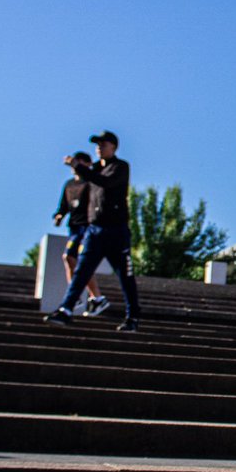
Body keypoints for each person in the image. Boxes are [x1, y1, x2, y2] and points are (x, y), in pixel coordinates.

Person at [45, 130, 142, 332]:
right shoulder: (94, 170)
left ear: (113, 147)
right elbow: (78, 195)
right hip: (94, 230)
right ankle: (66, 309)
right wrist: (62, 213)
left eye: (103, 144)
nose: (99, 148)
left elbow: (105, 182)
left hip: (116, 231)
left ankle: (132, 317)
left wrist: (78, 166)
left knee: (125, 276)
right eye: (97, 145)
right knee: (82, 270)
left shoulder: (120, 167)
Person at [52, 152, 110, 317]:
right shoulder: (69, 184)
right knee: (70, 258)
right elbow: (63, 206)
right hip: (74, 227)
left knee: (80, 261)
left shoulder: (91, 182)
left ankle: (89, 296)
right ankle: (88, 296)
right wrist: (59, 216)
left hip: (88, 226)